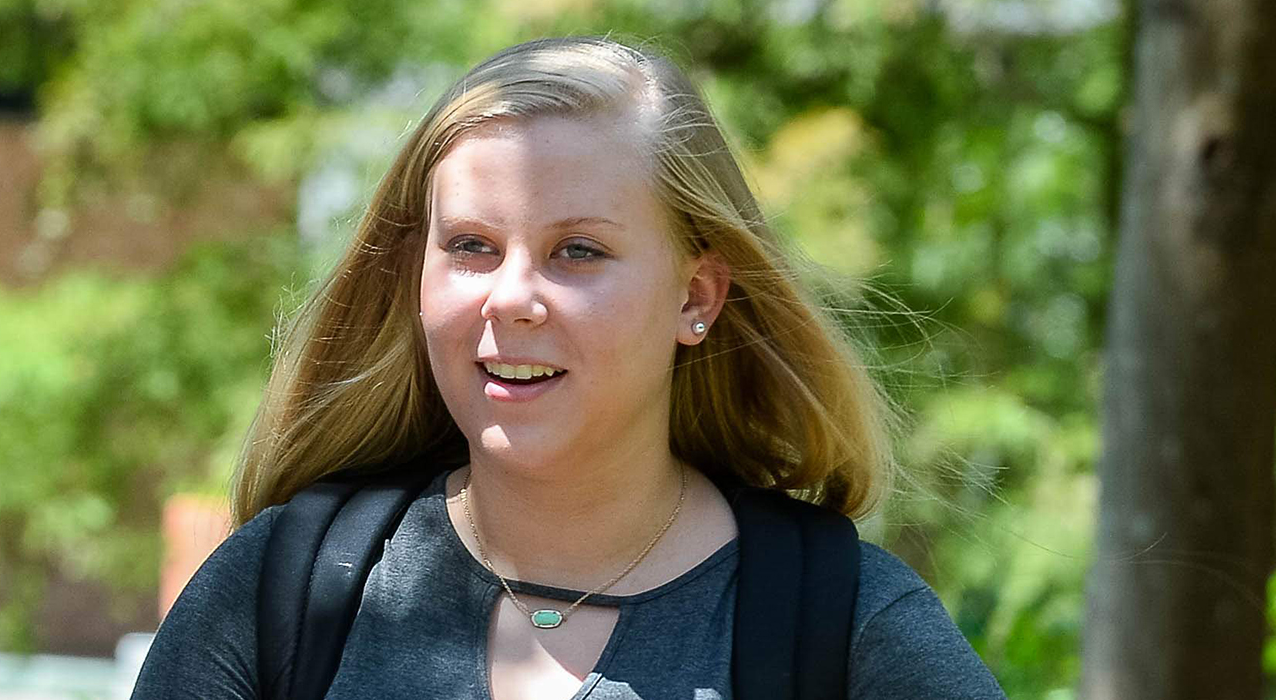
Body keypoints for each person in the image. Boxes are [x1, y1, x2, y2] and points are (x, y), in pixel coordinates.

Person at [129, 37, 1005, 699]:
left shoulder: (844, 625)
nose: (512, 297)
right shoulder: (277, 588)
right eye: (470, 246)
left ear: (696, 298)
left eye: (578, 251)